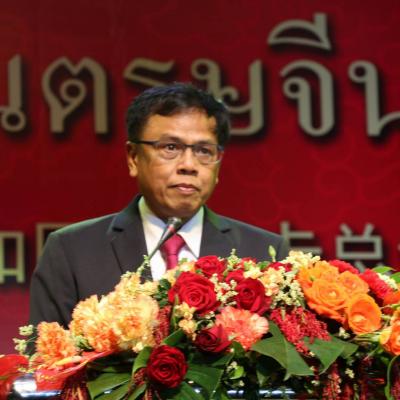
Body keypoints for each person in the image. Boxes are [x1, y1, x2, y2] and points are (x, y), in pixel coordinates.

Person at [29, 82, 289, 327]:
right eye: (171, 147)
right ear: (133, 158)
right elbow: (44, 356)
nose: (188, 165)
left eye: (203, 151)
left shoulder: (265, 254)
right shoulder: (72, 251)